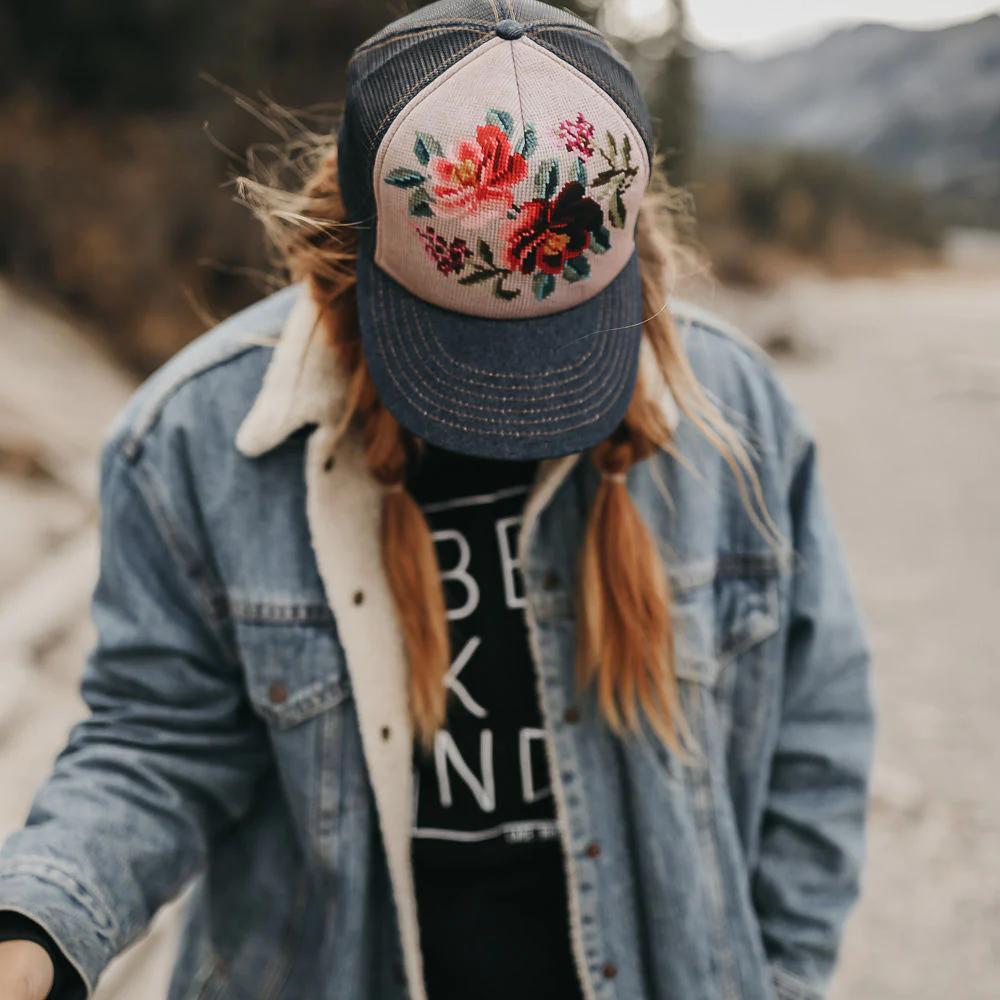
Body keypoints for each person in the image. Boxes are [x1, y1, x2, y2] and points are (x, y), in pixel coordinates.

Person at [0, 2, 875, 999]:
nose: (515, 414)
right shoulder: (195, 441)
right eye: (469, 359)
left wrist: (783, 977)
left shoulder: (736, 413)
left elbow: (819, 724)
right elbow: (157, 740)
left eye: (560, 349)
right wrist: (36, 922)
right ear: (353, 243)